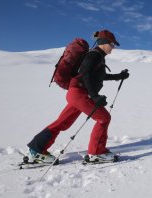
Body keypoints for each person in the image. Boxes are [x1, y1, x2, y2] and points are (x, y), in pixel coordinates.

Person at [27, 29, 130, 163]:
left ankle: (36, 149)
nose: (113, 47)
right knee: (104, 118)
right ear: (104, 42)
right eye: (112, 44)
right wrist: (94, 96)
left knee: (62, 123)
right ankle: (96, 152)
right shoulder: (94, 55)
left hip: (76, 93)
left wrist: (119, 76)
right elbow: (85, 74)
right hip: (79, 93)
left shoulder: (98, 56)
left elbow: (98, 76)